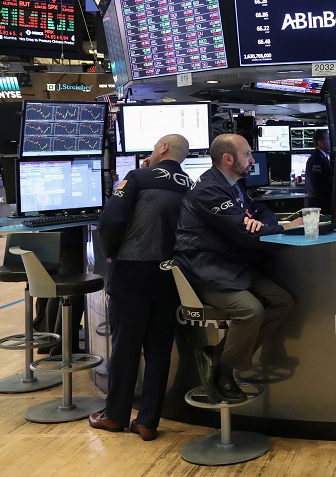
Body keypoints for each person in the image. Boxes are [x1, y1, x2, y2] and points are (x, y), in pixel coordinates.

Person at [174, 134, 298, 403]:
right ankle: (225, 370)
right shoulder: (209, 190)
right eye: (247, 155)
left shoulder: (234, 186)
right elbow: (247, 235)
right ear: (228, 159)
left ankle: (216, 355)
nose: (252, 160)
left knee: (282, 302)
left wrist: (261, 223)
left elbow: (259, 211)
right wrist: (284, 228)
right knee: (250, 311)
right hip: (206, 270)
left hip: (231, 266)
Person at [88, 134, 191, 441]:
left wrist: (111, 250)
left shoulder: (138, 177)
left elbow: (112, 219)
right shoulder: (191, 185)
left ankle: (116, 415)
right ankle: (147, 422)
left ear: (162, 148)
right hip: (170, 276)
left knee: (125, 348)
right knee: (159, 351)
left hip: (132, 272)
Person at [304, 129, 333, 214]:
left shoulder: (321, 157)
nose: (330, 141)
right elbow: (317, 183)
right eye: (327, 139)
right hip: (320, 203)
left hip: (322, 201)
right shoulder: (316, 158)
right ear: (320, 142)